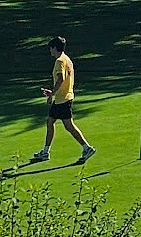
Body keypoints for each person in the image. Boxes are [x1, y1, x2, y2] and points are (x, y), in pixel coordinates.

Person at [31, 36, 96, 164]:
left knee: (68, 126)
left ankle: (87, 148)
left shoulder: (60, 61)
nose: (50, 51)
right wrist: (52, 96)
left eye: (51, 48)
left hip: (63, 99)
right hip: (63, 98)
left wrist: (52, 93)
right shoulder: (67, 59)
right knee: (50, 122)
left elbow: (60, 79)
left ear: (55, 48)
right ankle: (45, 152)